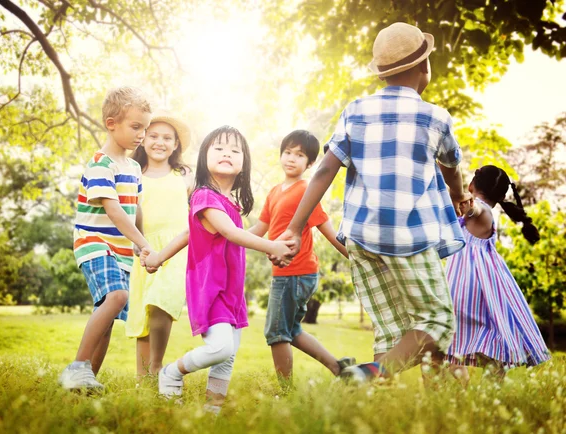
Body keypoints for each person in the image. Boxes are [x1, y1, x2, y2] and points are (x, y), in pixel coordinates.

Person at [276, 22, 470, 382]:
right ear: (424, 68)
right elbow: (452, 167)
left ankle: (376, 404)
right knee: (438, 320)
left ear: (382, 74)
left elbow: (323, 172)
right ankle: (370, 375)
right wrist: (460, 196)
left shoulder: (356, 110)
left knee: (390, 328)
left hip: (363, 238)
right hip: (409, 238)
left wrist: (294, 227)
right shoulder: (435, 117)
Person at [141, 126, 293, 413]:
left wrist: (159, 256)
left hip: (232, 290)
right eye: (219, 148)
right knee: (220, 348)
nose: (227, 153)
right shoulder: (203, 196)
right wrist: (271, 247)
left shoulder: (229, 203)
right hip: (210, 287)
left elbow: (197, 233)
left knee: (228, 355)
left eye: (235, 150)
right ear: (203, 158)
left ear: (244, 164)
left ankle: (213, 410)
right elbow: (230, 233)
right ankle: (171, 372)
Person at [59, 87, 153, 390]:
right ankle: (77, 366)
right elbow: (113, 211)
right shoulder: (101, 164)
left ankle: (86, 381)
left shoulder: (134, 167)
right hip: (95, 242)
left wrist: (142, 244)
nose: (142, 135)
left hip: (122, 249)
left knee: (108, 312)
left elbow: (134, 210)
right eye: (136, 127)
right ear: (112, 124)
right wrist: (142, 242)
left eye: (145, 128)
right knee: (117, 297)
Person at [250, 129, 353, 386]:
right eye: (287, 152)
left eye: (299, 155)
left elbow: (329, 233)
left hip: (296, 272)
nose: (291, 158)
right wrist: (226, 237)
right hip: (285, 274)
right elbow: (259, 231)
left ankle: (284, 393)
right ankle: (340, 368)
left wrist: (357, 259)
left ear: (310, 164)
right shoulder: (275, 192)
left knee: (276, 332)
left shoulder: (308, 191)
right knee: (291, 331)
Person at [445, 165, 550, 384]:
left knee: (455, 345)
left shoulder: (481, 210)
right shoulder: (484, 211)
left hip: (466, 285)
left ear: (473, 184)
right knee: (488, 348)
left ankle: (469, 394)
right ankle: (488, 393)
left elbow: (474, 209)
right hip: (483, 287)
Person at [126, 110, 194, 380]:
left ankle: (157, 366)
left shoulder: (184, 175)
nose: (159, 142)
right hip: (141, 248)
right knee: (144, 314)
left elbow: (196, 212)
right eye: (153, 135)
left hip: (176, 249)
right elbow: (128, 211)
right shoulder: (132, 173)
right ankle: (145, 379)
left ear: (176, 144)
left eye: (167, 138)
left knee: (160, 303)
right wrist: (136, 241)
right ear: (142, 139)